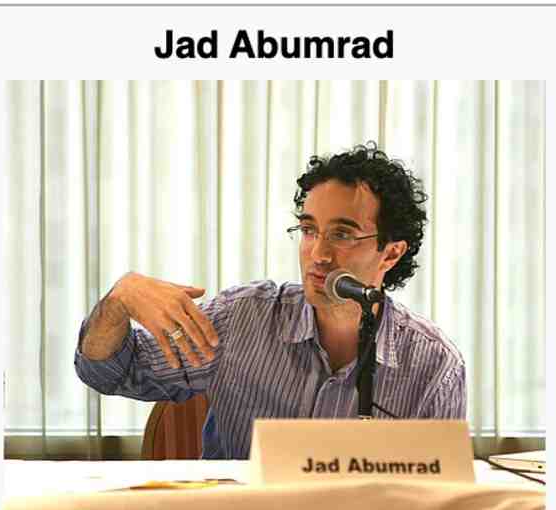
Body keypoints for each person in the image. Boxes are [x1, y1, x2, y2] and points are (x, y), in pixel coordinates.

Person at [74, 142, 466, 460]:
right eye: (309, 230)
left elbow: (440, 499)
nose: (318, 254)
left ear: (391, 253)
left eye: (342, 234)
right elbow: (107, 373)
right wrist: (118, 301)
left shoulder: (435, 367)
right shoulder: (241, 318)